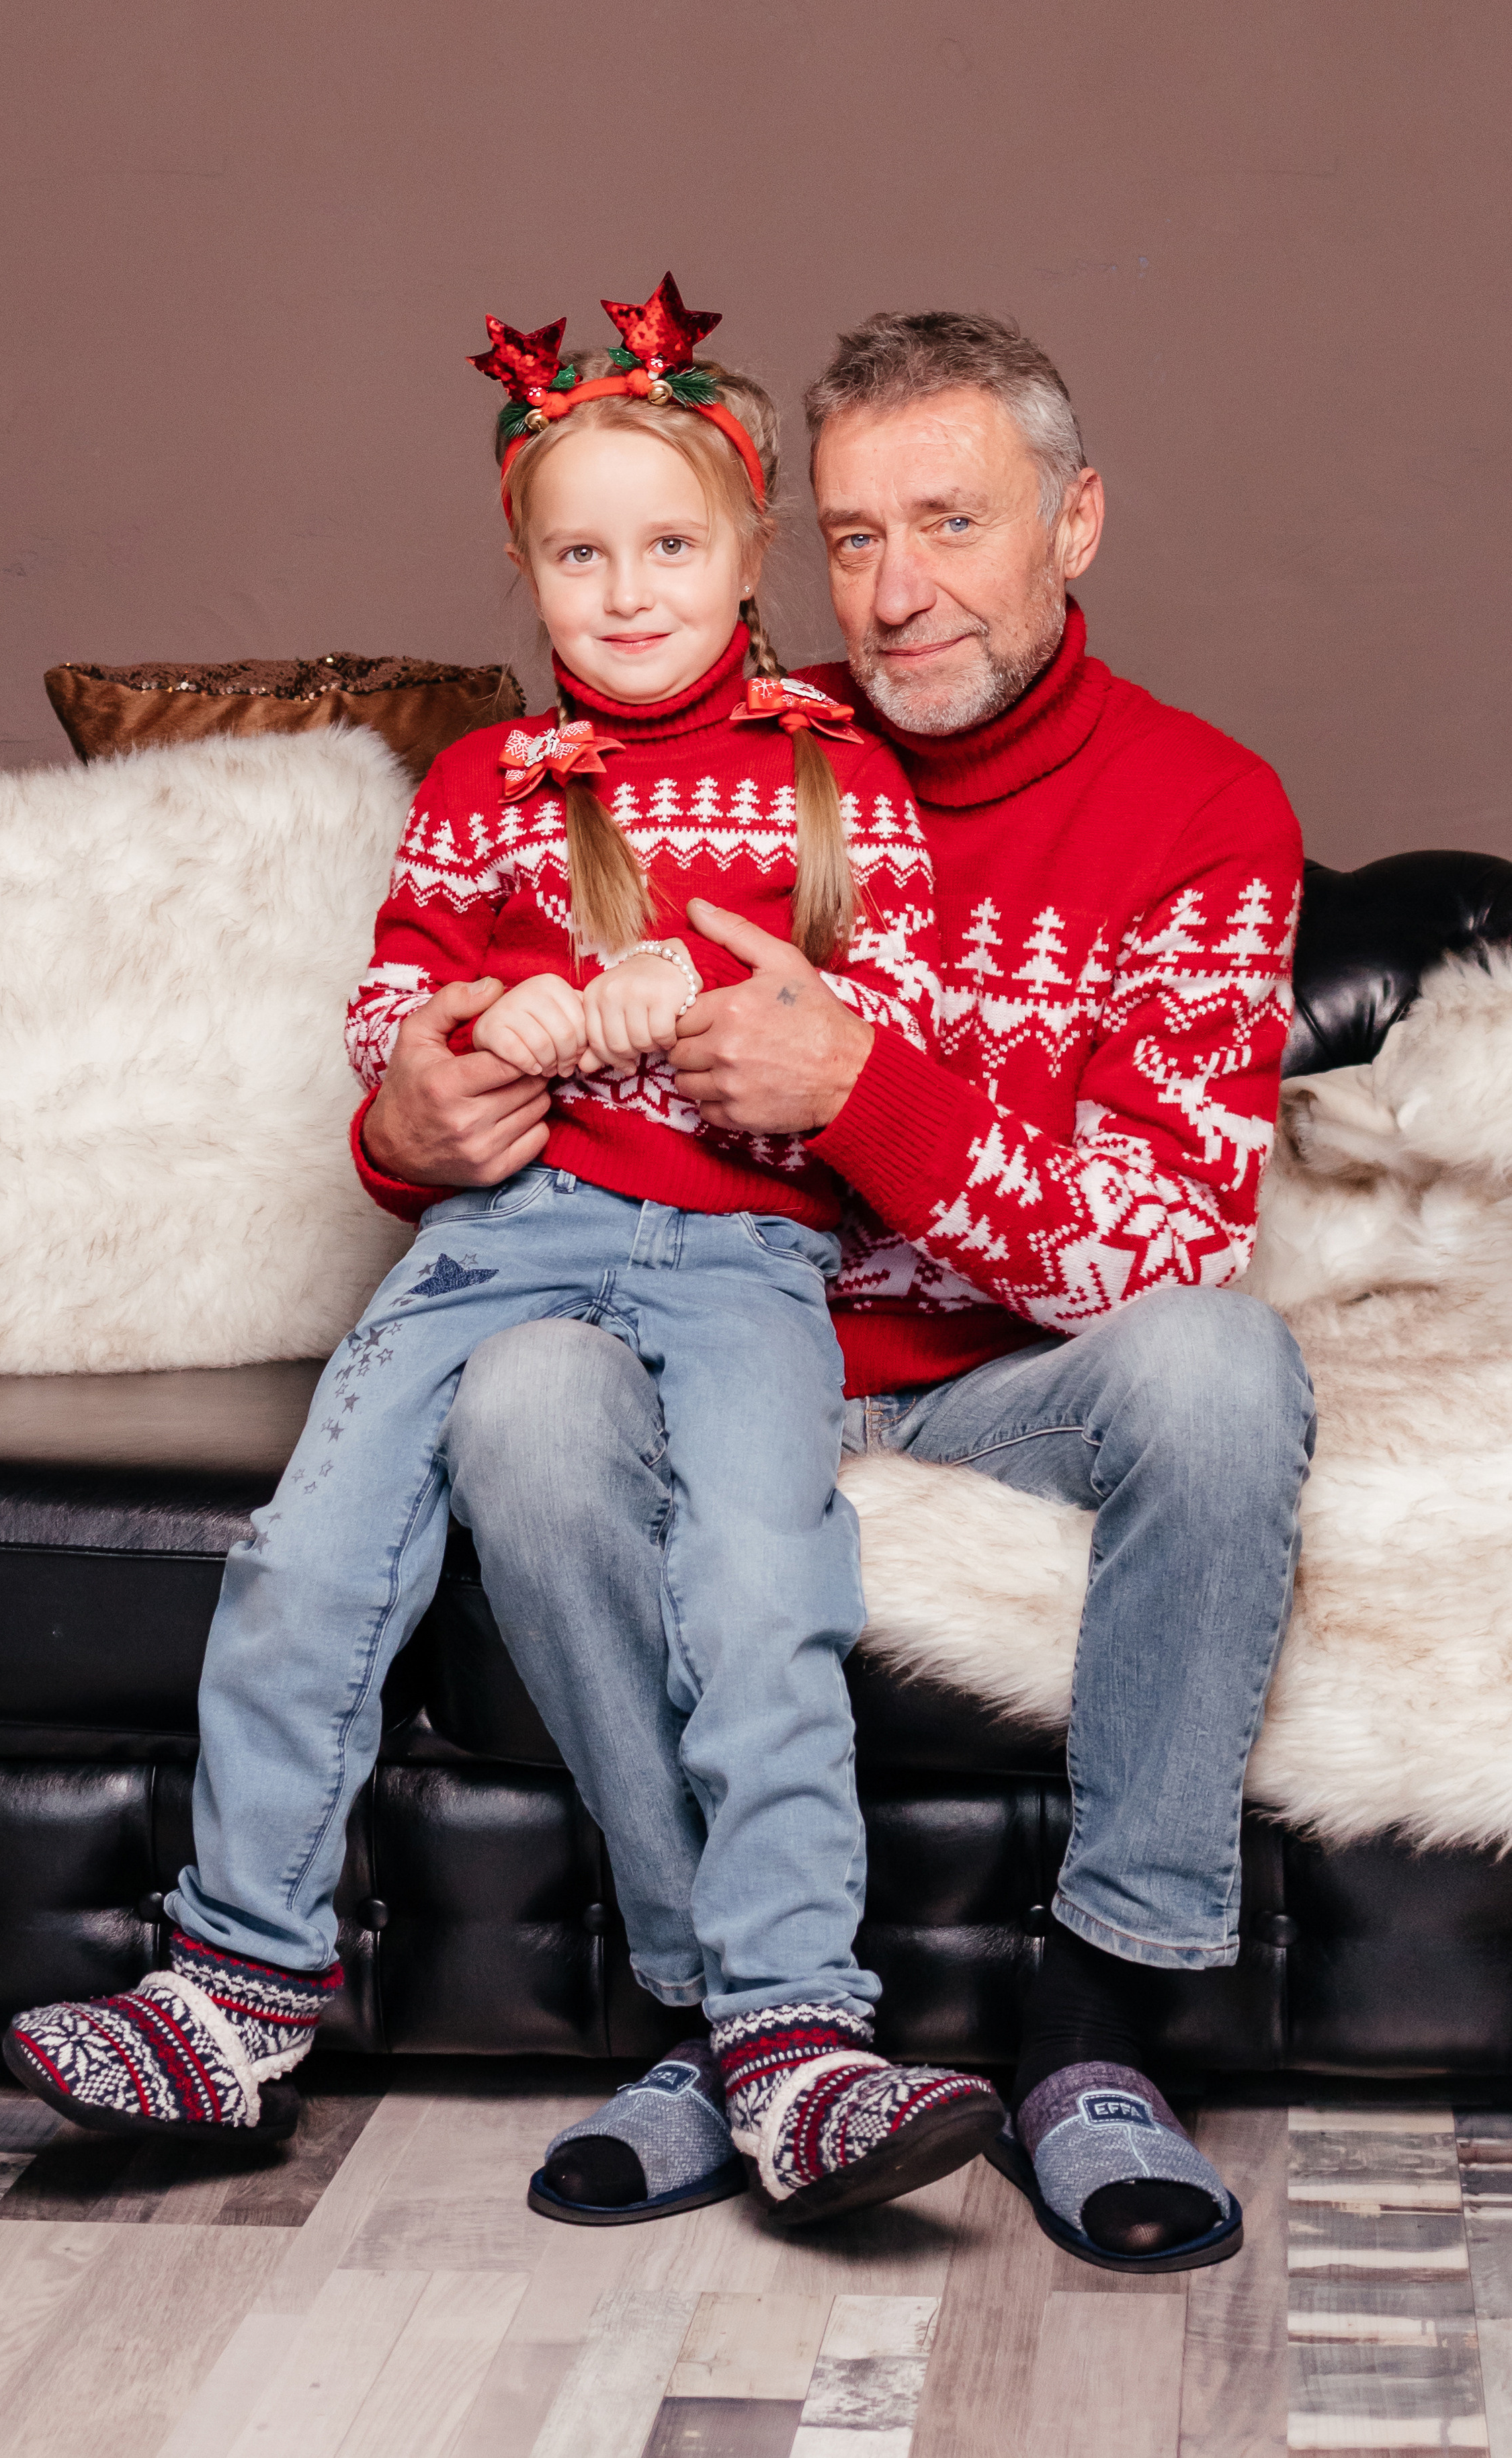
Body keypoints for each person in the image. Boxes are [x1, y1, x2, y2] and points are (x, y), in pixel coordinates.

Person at [1, 275, 1008, 2228]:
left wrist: (763, 1036)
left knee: (759, 1569)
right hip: (505, 1235)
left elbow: (918, 1050)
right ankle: (235, 1982)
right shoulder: (484, 793)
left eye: (667, 548)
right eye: (578, 555)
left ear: (745, 553)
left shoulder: (844, 784)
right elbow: (390, 1033)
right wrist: (474, 1042)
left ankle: (797, 2028)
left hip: (740, 1259)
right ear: (526, 570)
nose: (625, 593)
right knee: (308, 1553)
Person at [362, 309, 1314, 2274]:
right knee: (524, 1399)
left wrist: (865, 1094)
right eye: (857, 534)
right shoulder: (732, 755)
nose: (898, 591)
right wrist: (413, 1127)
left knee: (1224, 1364)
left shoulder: (1209, 811)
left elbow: (1165, 1236)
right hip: (704, 1343)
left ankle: (1101, 2013)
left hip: (998, 1381)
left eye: (952, 522)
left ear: (1078, 521)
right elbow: (476, 1047)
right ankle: (747, 2016)